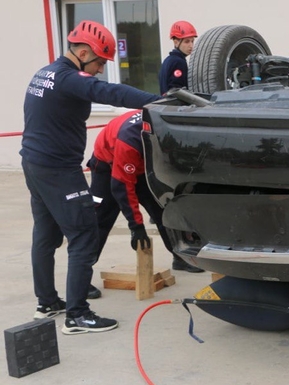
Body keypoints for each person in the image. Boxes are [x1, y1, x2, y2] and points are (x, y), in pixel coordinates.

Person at [21, 20, 162, 334]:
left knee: (45, 236)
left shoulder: (44, 73)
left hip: (34, 164)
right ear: (82, 52)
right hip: (58, 170)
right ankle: (78, 315)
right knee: (84, 234)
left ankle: (47, 302)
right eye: (99, 61)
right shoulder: (68, 79)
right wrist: (158, 100)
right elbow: (109, 92)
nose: (100, 69)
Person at [87, 110, 204, 274]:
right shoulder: (129, 143)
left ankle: (180, 257)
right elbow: (122, 188)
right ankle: (82, 274)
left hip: (143, 165)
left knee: (164, 210)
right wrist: (136, 226)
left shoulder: (168, 131)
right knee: (100, 219)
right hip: (108, 163)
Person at [159, 21, 197, 95]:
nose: (191, 45)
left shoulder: (168, 60)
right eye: (187, 42)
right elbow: (176, 90)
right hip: (177, 105)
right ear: (176, 42)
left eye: (192, 41)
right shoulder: (178, 62)